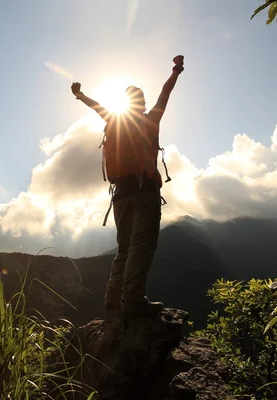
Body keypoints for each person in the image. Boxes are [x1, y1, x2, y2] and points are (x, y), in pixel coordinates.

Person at [71, 55, 184, 318]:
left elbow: (95, 105)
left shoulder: (113, 119)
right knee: (141, 246)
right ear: (142, 103)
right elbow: (165, 93)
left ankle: (113, 299)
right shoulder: (151, 119)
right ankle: (133, 299)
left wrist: (79, 94)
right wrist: (176, 70)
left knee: (123, 249)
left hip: (120, 195)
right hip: (145, 193)